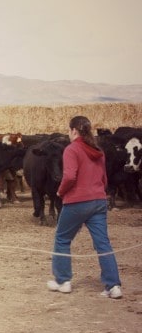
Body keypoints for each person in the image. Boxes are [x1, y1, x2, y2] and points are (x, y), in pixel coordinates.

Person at [47, 116, 123, 299]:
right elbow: (104, 178)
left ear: (74, 130)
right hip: (98, 201)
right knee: (103, 243)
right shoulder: (98, 150)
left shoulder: (71, 149)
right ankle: (113, 286)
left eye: (69, 130)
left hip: (76, 201)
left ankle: (62, 281)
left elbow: (70, 176)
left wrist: (60, 191)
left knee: (62, 239)